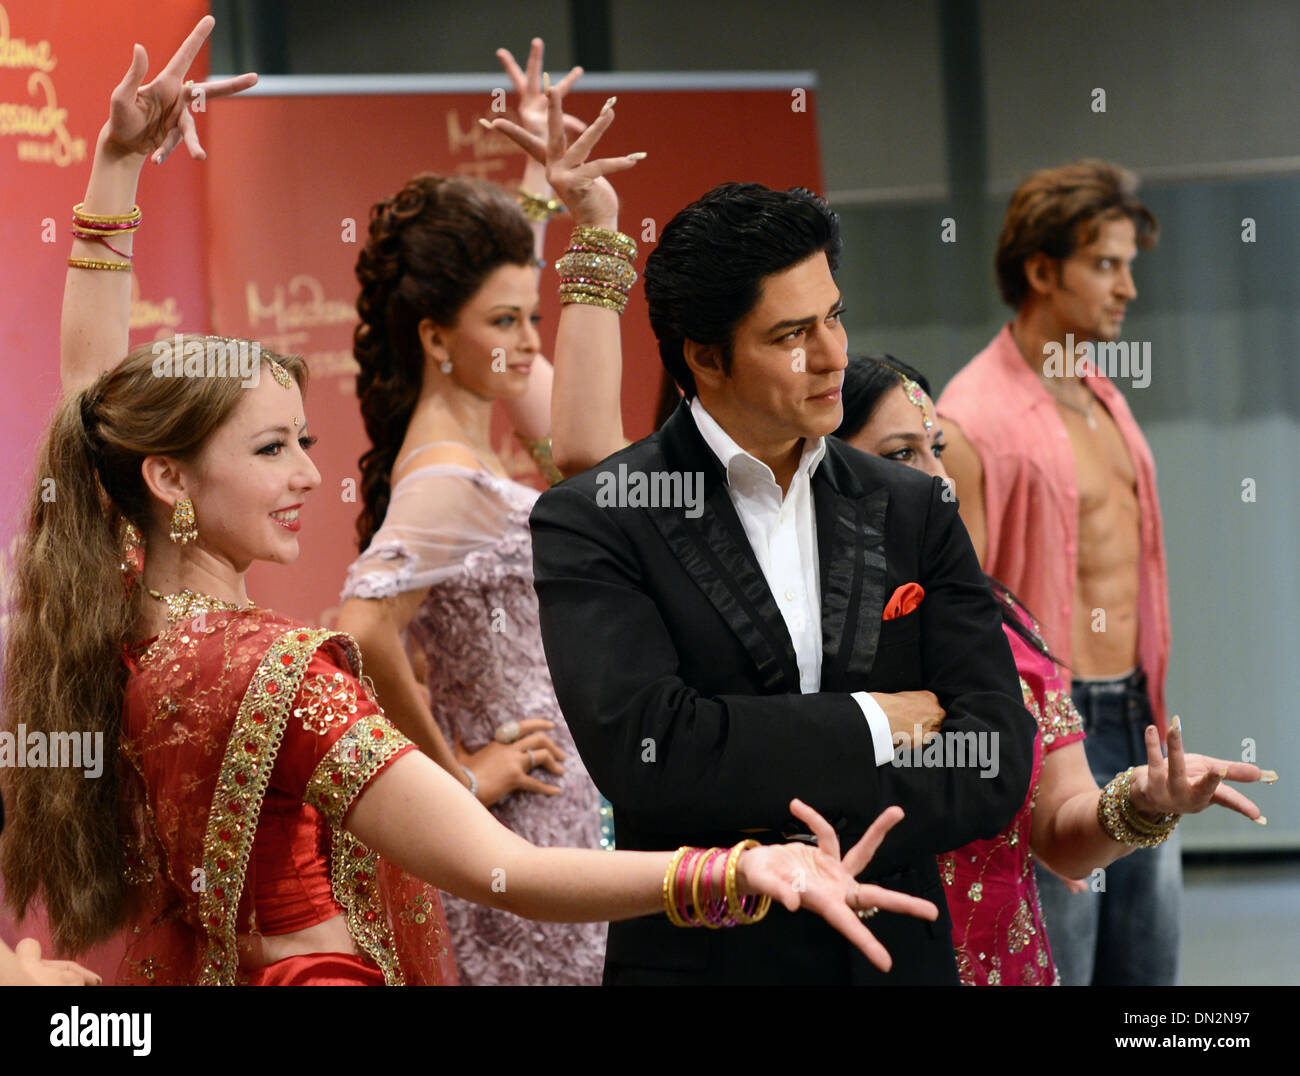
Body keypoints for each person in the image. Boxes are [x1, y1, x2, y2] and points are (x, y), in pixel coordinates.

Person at [0, 16, 936, 986]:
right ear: (169, 477)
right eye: (273, 447)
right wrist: (739, 869)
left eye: (304, 443)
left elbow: (90, 399)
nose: (308, 476)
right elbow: (509, 870)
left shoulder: (125, 616)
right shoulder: (282, 671)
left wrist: (114, 166)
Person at [488, 91, 1038, 986]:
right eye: (790, 334)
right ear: (704, 357)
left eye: (834, 316)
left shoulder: (911, 507)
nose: (833, 356)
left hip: (897, 952)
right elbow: (651, 757)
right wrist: (876, 720)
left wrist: (775, 794)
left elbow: (995, 758)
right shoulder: (604, 518)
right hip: (702, 961)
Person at [835, 355, 1270, 984]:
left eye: (938, 450)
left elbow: (1061, 828)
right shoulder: (795, 637)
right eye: (902, 455)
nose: (939, 480)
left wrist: (1143, 802)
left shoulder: (998, 624)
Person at [335, 40, 608, 985]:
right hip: (516, 816)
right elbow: (360, 627)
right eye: (506, 322)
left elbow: (561, 432)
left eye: (531, 316)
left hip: (555, 807)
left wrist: (536, 178)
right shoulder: (446, 476)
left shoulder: (465, 435)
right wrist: (455, 771)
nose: (529, 343)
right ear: (433, 335)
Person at [937, 160, 1182, 984]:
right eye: (1106, 265)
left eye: (1128, 266)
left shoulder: (1103, 395)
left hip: (1137, 712)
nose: (1127, 289)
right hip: (1049, 741)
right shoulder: (970, 421)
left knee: (1148, 983)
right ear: (1042, 271)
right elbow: (957, 619)